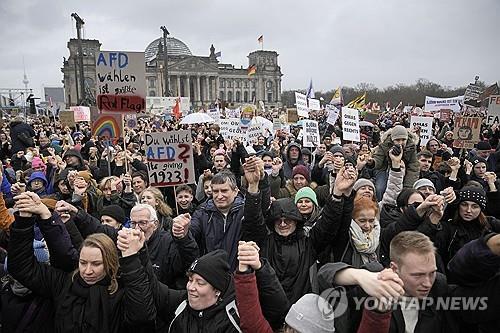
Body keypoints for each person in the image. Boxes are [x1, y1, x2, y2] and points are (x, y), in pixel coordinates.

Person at [8, 192, 156, 332]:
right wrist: (25, 219)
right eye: (83, 262)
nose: (87, 270)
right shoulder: (64, 282)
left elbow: (142, 318)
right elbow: (22, 267)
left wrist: (132, 257)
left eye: (96, 264)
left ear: (110, 263)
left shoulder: (122, 291)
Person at [242, 156, 358, 303]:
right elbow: (252, 220)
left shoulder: (308, 242)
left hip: (303, 310)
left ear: (297, 221)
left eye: (288, 220)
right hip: (270, 311)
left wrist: (336, 194)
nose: (283, 224)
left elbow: (328, 224)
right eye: (278, 220)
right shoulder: (265, 241)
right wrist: (253, 186)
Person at [190, 170, 269, 270]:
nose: (219, 196)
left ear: (235, 191)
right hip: (211, 276)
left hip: (240, 274)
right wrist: (182, 232)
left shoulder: (246, 210)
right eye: (215, 191)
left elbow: (257, 228)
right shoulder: (202, 213)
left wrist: (253, 185)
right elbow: (192, 235)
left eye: (224, 191)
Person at [372, 125, 419, 200]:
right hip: (385, 169)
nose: (401, 142)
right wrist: (372, 162)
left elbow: (413, 166)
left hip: (403, 170)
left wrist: (408, 186)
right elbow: (378, 158)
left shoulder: (411, 146)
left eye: (403, 140)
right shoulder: (385, 144)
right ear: (392, 139)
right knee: (380, 189)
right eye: (397, 140)